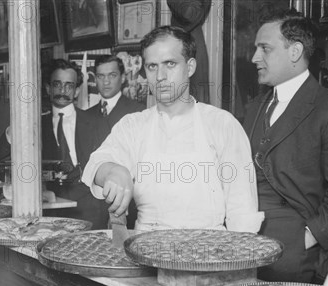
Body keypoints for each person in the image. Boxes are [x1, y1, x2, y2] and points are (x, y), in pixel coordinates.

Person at [82, 26, 264, 233]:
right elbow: (96, 164)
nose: (160, 76)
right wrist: (113, 171)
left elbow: (242, 209)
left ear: (190, 67)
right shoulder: (133, 125)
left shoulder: (222, 124)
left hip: (209, 249)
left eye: (170, 64)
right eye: (152, 66)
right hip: (146, 246)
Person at [243, 9, 328, 283]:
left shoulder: (327, 109)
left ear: (295, 52)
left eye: (265, 49)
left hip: (296, 260)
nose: (254, 58)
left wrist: (307, 239)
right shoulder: (255, 106)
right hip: (246, 248)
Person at [41, 59, 109, 229]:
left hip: (89, 206)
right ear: (48, 88)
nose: (63, 91)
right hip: (51, 206)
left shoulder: (96, 122)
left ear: (77, 90)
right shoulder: (37, 125)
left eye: (69, 86)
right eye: (57, 85)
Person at [87, 54, 147, 228]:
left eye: (112, 75)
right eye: (100, 76)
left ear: (122, 78)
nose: (106, 82)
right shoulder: (86, 115)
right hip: (93, 206)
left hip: (129, 206)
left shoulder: (138, 114)